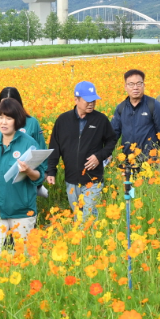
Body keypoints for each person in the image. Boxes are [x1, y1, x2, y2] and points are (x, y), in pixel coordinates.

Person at [0, 97, 45, 258]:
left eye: (8, 118)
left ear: (17, 120)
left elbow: (39, 177)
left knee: (24, 258)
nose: (3, 122)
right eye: (0, 117)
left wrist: (29, 172)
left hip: (22, 210)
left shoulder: (29, 143)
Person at [44, 81, 117, 224]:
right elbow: (54, 147)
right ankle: (86, 244)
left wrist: (99, 156)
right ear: (76, 99)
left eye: (94, 100)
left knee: (87, 218)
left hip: (93, 179)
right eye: (88, 100)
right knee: (78, 217)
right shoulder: (63, 120)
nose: (91, 103)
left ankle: (91, 241)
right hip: (71, 180)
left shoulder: (100, 120)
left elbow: (111, 141)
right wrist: (51, 171)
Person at [0, 87, 47, 197]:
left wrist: (43, 174)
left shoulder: (32, 122)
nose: (6, 107)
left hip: (26, 180)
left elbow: (41, 150)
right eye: (3, 104)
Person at [111, 69, 160, 178]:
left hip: (150, 162)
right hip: (129, 161)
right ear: (125, 87)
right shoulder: (121, 108)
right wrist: (105, 154)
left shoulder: (153, 105)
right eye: (131, 84)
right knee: (129, 193)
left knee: (148, 192)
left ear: (143, 85)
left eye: (139, 83)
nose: (135, 87)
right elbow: (113, 135)